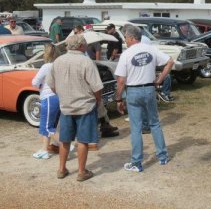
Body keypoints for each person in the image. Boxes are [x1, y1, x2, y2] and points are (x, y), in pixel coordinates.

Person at [114, 25, 174, 172]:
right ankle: (163, 156)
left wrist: (118, 99)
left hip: (133, 91)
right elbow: (170, 62)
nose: (126, 41)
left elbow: (121, 80)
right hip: (149, 89)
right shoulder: (150, 49)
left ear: (132, 38)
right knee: (155, 123)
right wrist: (160, 79)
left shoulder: (126, 54)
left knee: (136, 128)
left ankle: (137, 162)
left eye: (126, 38)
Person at [46, 34, 104, 182]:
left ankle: (61, 169)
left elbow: (51, 85)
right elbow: (97, 87)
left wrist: (62, 95)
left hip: (66, 106)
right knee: (83, 140)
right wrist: (98, 100)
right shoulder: (86, 62)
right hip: (85, 106)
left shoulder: (58, 61)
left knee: (65, 140)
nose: (86, 46)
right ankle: (81, 171)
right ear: (80, 46)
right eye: (84, 44)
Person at [73, 25, 119, 142]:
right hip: (83, 91)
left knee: (100, 106)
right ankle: (100, 129)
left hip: (86, 88)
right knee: (96, 106)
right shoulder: (81, 58)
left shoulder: (84, 55)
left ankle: (105, 126)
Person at [32, 43, 61, 159]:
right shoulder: (59, 65)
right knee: (47, 125)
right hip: (58, 97)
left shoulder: (46, 66)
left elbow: (34, 82)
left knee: (47, 127)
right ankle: (44, 150)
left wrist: (40, 84)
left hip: (48, 97)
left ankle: (63, 144)